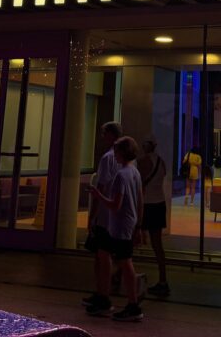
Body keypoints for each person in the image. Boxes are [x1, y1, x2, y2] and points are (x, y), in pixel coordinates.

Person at [87, 136, 144, 322]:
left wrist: (98, 195)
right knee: (116, 258)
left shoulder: (121, 175)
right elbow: (139, 200)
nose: (115, 155)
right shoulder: (134, 172)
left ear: (122, 152)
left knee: (124, 262)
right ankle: (123, 301)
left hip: (119, 224)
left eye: (117, 151)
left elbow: (115, 205)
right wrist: (138, 226)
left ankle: (132, 304)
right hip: (129, 223)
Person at [84, 121, 122, 308]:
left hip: (105, 212)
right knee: (103, 253)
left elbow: (101, 185)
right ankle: (100, 291)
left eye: (104, 133)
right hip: (116, 212)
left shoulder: (108, 158)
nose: (102, 137)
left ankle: (103, 294)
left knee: (102, 253)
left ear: (111, 135)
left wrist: (92, 214)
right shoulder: (124, 159)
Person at [136, 137, 170, 296]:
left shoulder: (143, 162)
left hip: (147, 204)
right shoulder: (161, 162)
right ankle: (163, 279)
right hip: (160, 203)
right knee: (158, 246)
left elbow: (139, 184)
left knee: (130, 241)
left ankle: (120, 274)